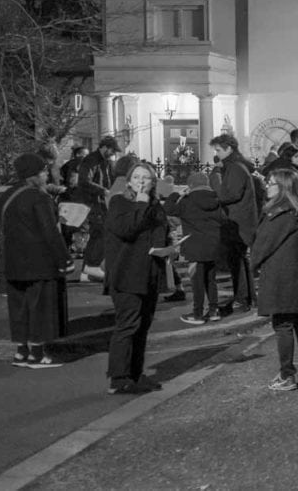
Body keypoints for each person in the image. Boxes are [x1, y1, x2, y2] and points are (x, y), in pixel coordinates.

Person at [105, 161, 179, 394]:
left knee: (143, 326)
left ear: (153, 182)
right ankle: (119, 377)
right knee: (128, 325)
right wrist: (140, 203)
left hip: (149, 272)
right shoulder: (120, 203)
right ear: (128, 181)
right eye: (136, 177)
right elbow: (127, 229)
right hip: (126, 273)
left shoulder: (155, 205)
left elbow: (158, 235)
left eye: (146, 178)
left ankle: (136, 373)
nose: (141, 182)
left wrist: (170, 246)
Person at [1, 153, 72, 368]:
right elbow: (50, 232)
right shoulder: (40, 198)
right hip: (40, 262)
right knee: (40, 308)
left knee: (19, 308)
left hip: (14, 262)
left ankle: (21, 352)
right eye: (43, 171)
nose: (46, 175)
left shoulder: (6, 196)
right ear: (34, 174)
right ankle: (38, 354)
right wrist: (65, 259)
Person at [252, 170, 298, 391]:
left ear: (283, 188)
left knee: (283, 325)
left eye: (272, 184)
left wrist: (251, 266)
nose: (267, 187)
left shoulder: (279, 214)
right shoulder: (297, 212)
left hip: (281, 277)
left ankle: (287, 375)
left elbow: (263, 245)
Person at [165, 172, 226, 325]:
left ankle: (197, 313)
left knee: (197, 281)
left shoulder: (187, 201)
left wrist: (176, 194)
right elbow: (223, 219)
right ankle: (213, 310)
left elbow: (168, 209)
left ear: (190, 185)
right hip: (213, 246)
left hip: (194, 247)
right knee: (210, 280)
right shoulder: (216, 200)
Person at [209, 134, 258, 313]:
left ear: (229, 148)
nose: (216, 153)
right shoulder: (236, 166)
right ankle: (247, 297)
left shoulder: (235, 168)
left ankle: (243, 298)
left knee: (238, 262)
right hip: (239, 221)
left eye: (219, 150)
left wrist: (215, 178)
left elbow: (229, 194)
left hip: (238, 222)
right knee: (240, 261)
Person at [75, 136, 121, 275]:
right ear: (105, 147)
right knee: (99, 232)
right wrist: (103, 190)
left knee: (98, 233)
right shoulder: (90, 161)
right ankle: (91, 266)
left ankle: (89, 268)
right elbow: (83, 181)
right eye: (112, 150)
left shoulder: (104, 161)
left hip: (100, 203)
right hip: (92, 203)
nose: (113, 154)